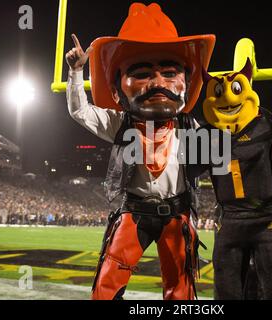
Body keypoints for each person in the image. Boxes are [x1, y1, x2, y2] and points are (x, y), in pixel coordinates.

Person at [65, 3, 215, 300]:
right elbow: (79, 110)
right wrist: (75, 71)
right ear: (118, 89)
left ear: (187, 82)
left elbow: (220, 162)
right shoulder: (119, 122)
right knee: (106, 287)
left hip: (176, 212)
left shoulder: (192, 126)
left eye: (169, 73)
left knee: (181, 290)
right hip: (134, 212)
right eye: (144, 73)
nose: (158, 82)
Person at [193, 59, 272, 299]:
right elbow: (188, 170)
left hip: (265, 220)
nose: (228, 100)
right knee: (227, 289)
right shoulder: (206, 134)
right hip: (229, 220)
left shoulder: (267, 124)